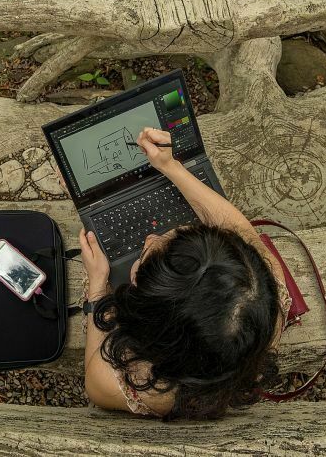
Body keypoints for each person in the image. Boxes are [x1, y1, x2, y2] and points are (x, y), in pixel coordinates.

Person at [79, 127, 292, 420]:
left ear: (150, 326)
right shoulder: (264, 299)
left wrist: (97, 287)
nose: (150, 239)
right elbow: (241, 231)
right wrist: (170, 166)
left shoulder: (143, 389)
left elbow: (94, 379)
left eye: (143, 263)